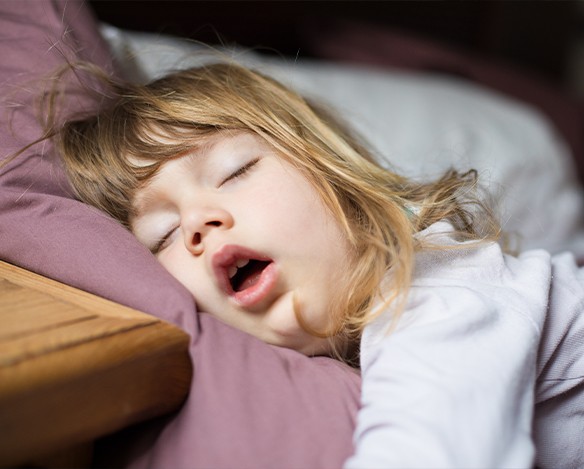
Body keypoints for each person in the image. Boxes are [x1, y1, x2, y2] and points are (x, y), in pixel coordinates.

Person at [44, 60, 584, 468]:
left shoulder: (438, 289)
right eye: (161, 235)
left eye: (235, 171)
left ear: (335, 179)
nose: (197, 222)